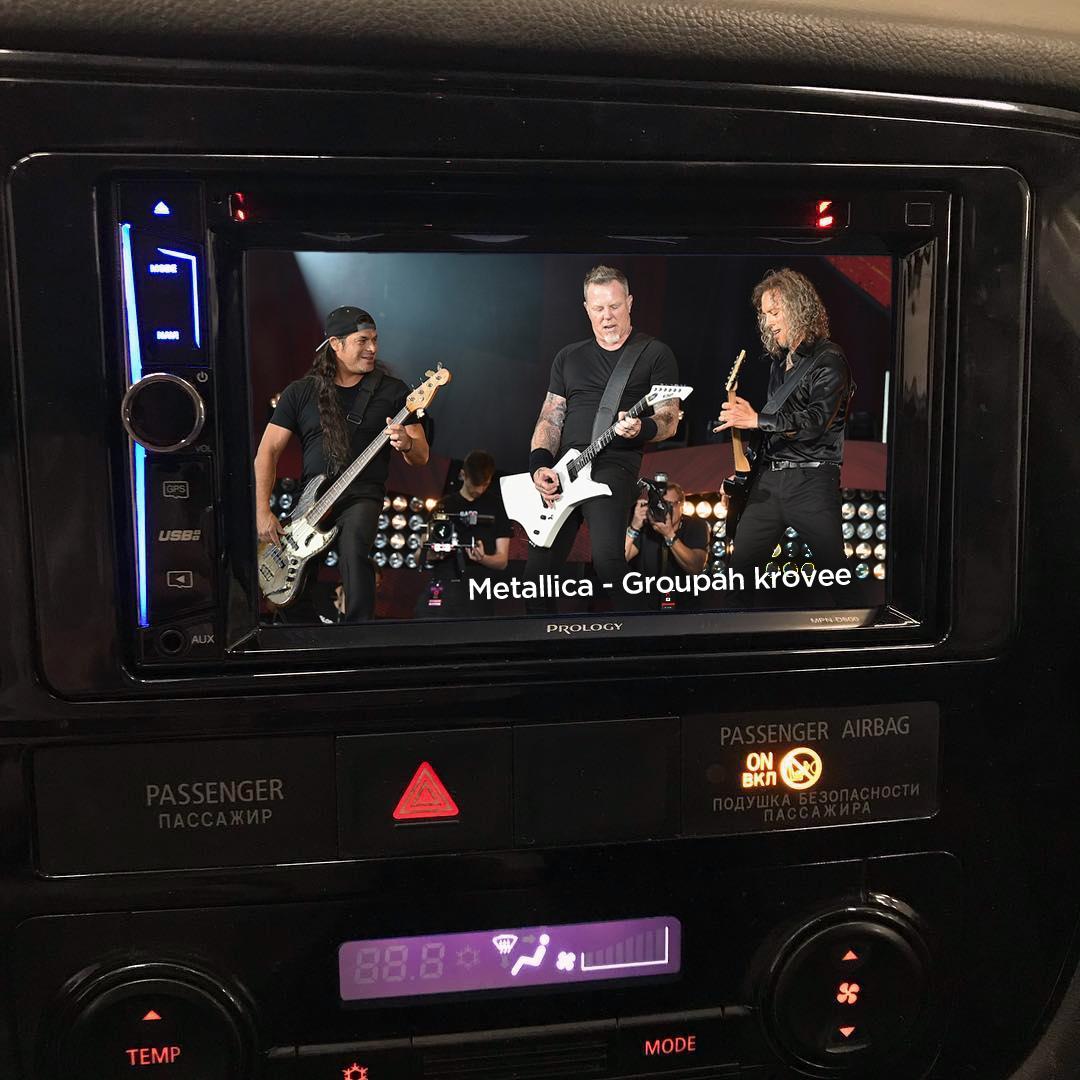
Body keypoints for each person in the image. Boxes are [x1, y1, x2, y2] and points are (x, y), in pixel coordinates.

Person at [254, 306, 429, 622]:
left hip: (363, 493)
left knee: (354, 549)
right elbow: (267, 452)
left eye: (375, 340)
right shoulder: (300, 392)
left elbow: (422, 456)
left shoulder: (394, 391)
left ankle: (358, 632)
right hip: (312, 499)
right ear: (336, 344)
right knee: (296, 582)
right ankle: (301, 634)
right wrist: (262, 511)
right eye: (363, 340)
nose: (372, 348)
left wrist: (406, 443)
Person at [525, 265, 681, 607]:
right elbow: (550, 419)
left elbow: (669, 419)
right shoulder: (568, 357)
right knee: (537, 575)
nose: (607, 316)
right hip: (565, 471)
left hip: (614, 463)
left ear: (630, 303)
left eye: (614, 306)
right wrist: (540, 466)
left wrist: (641, 427)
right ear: (586, 308)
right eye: (598, 308)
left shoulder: (654, 353)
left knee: (608, 561)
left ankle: (637, 631)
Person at [714, 268, 851, 597]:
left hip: (811, 481)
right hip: (769, 482)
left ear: (798, 308)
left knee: (836, 578)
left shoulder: (830, 359)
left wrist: (757, 419)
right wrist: (743, 472)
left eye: (775, 312)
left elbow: (816, 421)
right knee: (739, 576)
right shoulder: (780, 365)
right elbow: (772, 430)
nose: (768, 322)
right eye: (764, 315)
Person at [423, 450, 512, 617]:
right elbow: (419, 554)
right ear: (463, 475)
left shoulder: (497, 507)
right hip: (445, 582)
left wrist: (483, 558)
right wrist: (435, 553)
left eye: (485, 484)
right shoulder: (444, 506)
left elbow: (502, 561)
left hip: (479, 589)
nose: (479, 489)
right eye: (475, 484)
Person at [625, 479, 709, 576]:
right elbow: (621, 559)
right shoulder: (647, 526)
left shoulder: (695, 525)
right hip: (648, 585)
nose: (663, 509)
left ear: (682, 506)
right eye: (659, 504)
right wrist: (634, 527)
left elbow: (696, 568)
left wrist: (669, 535)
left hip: (681, 586)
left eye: (668, 504)